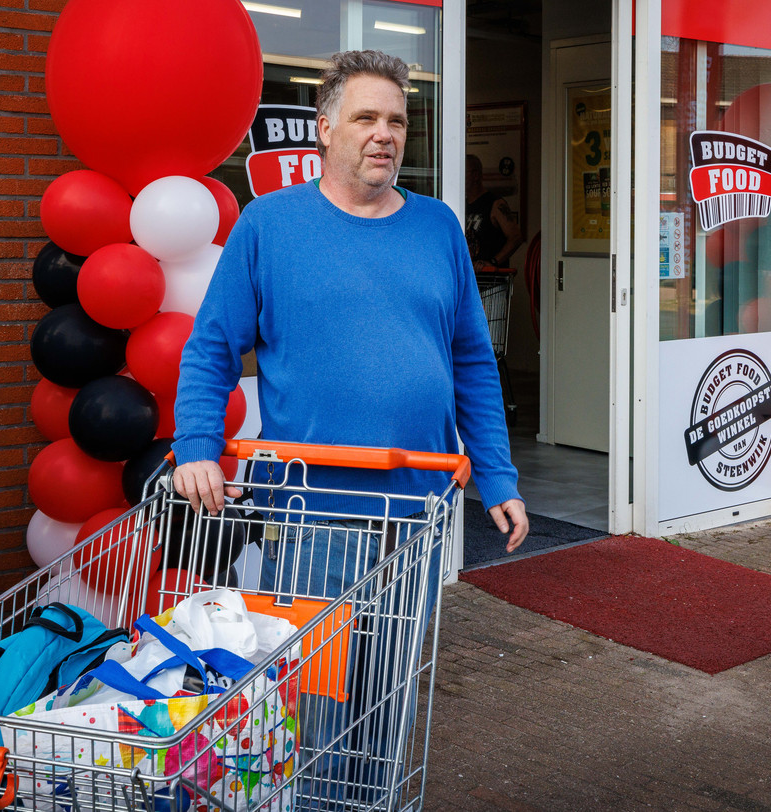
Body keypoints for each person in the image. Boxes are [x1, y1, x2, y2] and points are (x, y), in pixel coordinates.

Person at [171, 48, 528, 802]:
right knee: (315, 705)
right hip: (312, 515)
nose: (383, 134)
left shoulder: (435, 228)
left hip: (413, 511)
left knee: (388, 700)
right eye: (365, 117)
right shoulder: (270, 225)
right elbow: (209, 350)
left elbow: (470, 359)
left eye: (396, 120)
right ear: (325, 128)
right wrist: (196, 446)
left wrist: (495, 475)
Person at [464, 153, 524, 270]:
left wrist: (493, 262)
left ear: (476, 175)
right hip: (471, 276)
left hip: (491, 279)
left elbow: (516, 237)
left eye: (463, 172)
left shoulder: (496, 203)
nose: (458, 176)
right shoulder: (461, 205)